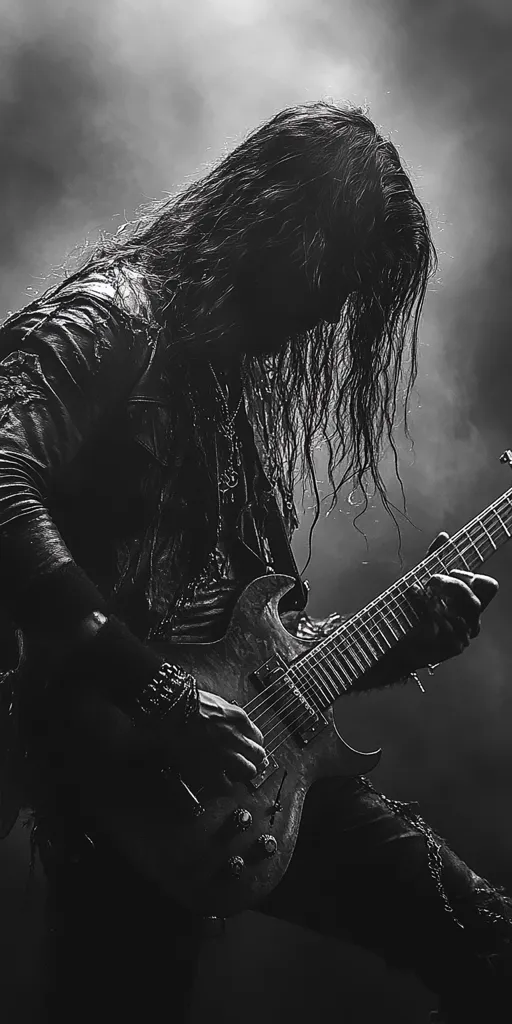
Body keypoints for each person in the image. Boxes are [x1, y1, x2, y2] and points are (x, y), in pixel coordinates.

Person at [0, 101, 509, 1023]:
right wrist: (156, 691)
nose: (333, 306)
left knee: (486, 937)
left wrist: (399, 639)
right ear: (276, 221)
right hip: (113, 781)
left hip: (240, 779)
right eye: (337, 271)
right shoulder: (111, 319)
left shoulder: (223, 383)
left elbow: (246, 648)